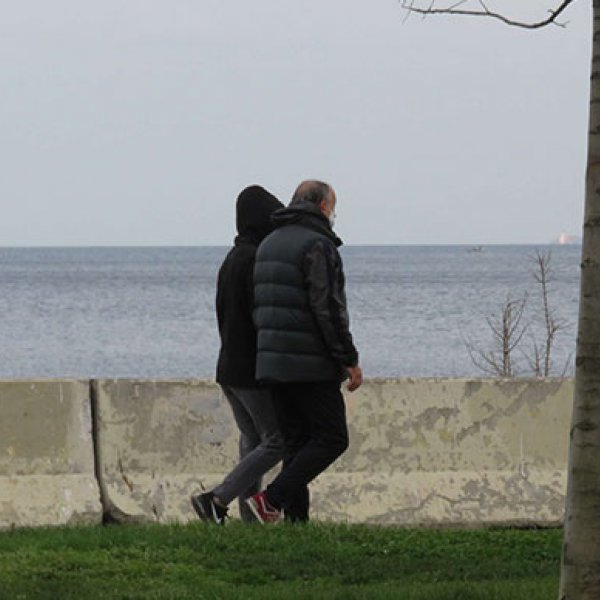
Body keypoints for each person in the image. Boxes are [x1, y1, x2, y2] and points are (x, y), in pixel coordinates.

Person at [246, 179, 362, 524]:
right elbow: (327, 307)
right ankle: (271, 499)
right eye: (333, 208)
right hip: (310, 362)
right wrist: (348, 358)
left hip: (272, 360)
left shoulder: (269, 243)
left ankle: (296, 521)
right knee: (332, 437)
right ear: (323, 206)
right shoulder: (317, 244)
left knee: (296, 442)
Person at [191, 185, 284, 524]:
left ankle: (249, 517)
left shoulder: (231, 259)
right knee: (279, 439)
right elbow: (262, 317)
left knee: (253, 438)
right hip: (251, 369)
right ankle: (217, 499)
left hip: (228, 366)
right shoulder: (255, 260)